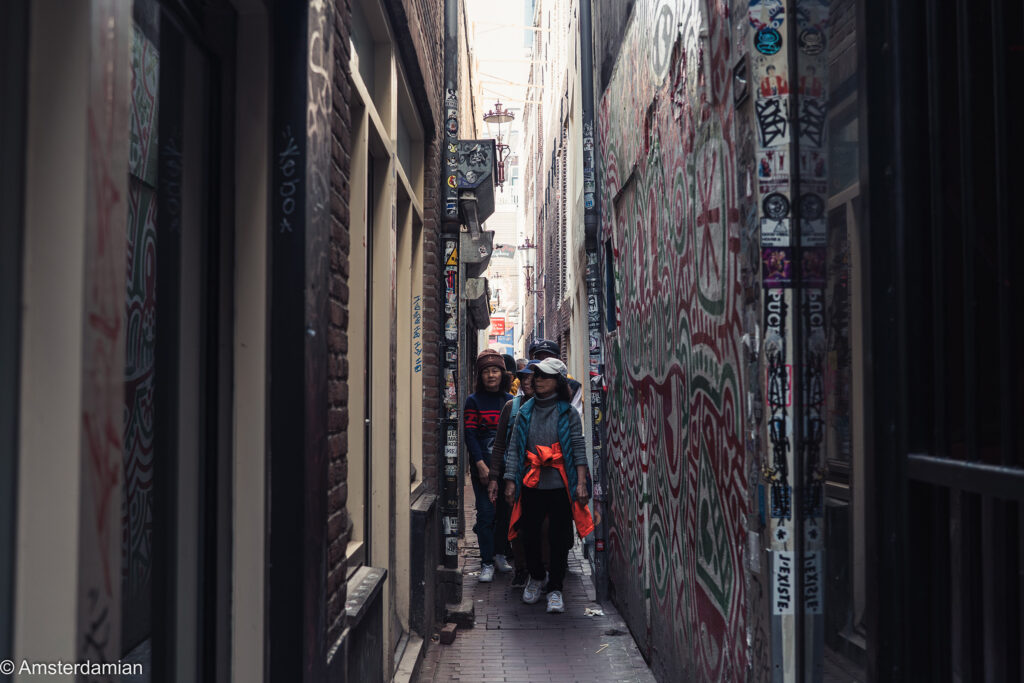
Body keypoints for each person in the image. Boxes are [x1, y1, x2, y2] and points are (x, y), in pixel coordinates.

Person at [503, 357, 593, 613]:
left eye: (545, 376)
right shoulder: (524, 411)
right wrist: (510, 481)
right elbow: (514, 450)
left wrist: (582, 483)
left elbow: (578, 449)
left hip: (560, 485)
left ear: (558, 382)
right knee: (528, 535)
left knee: (560, 537)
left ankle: (555, 588)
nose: (538, 380)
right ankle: (536, 576)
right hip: (531, 484)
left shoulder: (568, 413)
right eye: (536, 376)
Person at [464, 349, 514, 582]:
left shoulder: (510, 402)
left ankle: (500, 553)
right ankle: (486, 561)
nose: (491, 375)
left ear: (502, 374)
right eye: (486, 371)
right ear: (480, 376)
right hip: (482, 466)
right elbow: (470, 435)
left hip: (506, 466)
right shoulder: (473, 401)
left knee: (505, 512)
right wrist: (480, 465)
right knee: (485, 513)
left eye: (495, 370)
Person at [488, 360, 538, 587]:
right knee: (515, 526)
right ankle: (521, 569)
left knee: (540, 527)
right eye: (524, 378)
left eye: (532, 378)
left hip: (542, 477)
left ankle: (539, 570)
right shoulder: (511, 407)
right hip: (514, 476)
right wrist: (494, 478)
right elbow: (499, 445)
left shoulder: (552, 407)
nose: (527, 382)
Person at [528, 339, 584, 418]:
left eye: (548, 357)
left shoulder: (574, 386)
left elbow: (575, 418)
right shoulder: (530, 385)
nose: (544, 361)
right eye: (539, 358)